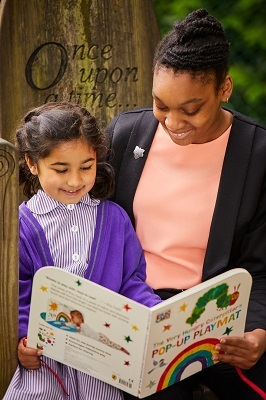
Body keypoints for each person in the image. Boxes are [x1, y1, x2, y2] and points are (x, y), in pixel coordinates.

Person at [106, 8, 266, 400]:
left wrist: (258, 332)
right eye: (161, 104)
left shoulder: (258, 153)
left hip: (214, 326)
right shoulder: (126, 134)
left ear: (225, 89)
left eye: (190, 109)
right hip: (132, 316)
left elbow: (261, 268)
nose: (172, 122)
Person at [3, 102, 161, 400]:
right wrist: (24, 341)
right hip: (45, 361)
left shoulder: (114, 219)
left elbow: (131, 282)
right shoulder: (21, 227)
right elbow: (19, 296)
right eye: (61, 169)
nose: (75, 181)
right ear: (32, 164)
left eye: (86, 167)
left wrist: (153, 316)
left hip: (103, 359)